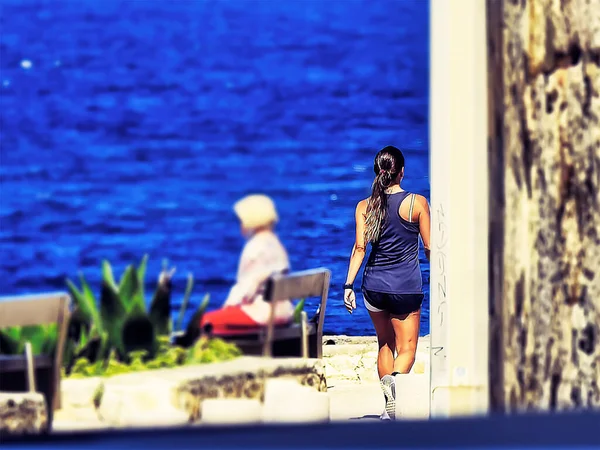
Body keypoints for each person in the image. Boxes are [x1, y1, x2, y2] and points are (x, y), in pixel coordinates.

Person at [342, 145, 431, 420]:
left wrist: (348, 286)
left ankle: (388, 405)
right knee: (407, 350)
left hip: (373, 287)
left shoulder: (364, 206)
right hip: (405, 288)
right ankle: (394, 384)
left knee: (384, 344)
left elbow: (359, 248)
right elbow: (430, 248)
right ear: (401, 172)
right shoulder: (417, 203)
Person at [200, 194, 294, 335]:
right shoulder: (276, 244)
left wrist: (227, 307)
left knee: (205, 321)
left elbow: (245, 290)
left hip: (264, 315)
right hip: (284, 312)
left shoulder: (255, 247)